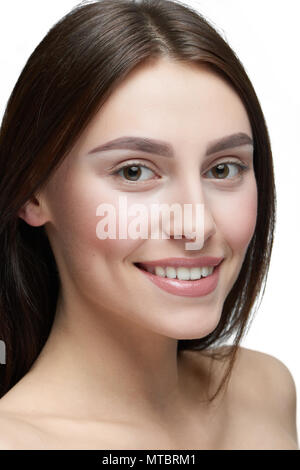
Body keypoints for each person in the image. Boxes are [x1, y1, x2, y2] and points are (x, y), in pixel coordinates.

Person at [0, 0, 298, 450]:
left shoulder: (266, 391)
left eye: (223, 169)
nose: (195, 225)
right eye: (134, 172)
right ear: (32, 193)